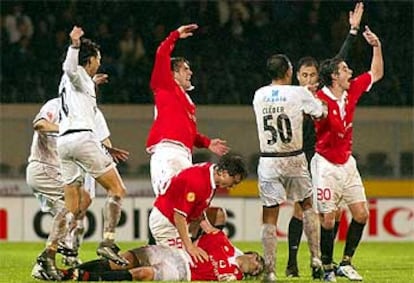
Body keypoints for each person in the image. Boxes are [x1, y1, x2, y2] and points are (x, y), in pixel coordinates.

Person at [37, 25, 130, 280]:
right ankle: (108, 242)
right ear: (89, 60)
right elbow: (70, 68)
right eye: (98, 59)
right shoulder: (74, 71)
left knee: (71, 207)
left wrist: (93, 82)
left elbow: (79, 90)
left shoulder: (81, 83)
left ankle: (48, 254)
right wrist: (74, 45)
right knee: (117, 190)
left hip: (65, 144)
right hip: (81, 138)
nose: (100, 63)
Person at [285, 2, 364, 278]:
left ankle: (323, 262)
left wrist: (353, 32)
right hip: (303, 157)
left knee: (331, 213)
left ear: (319, 78)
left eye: (312, 75)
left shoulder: (321, 95)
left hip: (321, 154)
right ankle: (294, 261)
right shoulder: (293, 97)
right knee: (301, 209)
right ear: (296, 77)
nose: (308, 79)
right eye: (304, 75)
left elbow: (339, 60)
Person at [311, 25, 383, 282]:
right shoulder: (319, 99)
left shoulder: (351, 91)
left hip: (347, 163)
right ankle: (327, 267)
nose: (350, 72)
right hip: (326, 165)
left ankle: (346, 262)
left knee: (362, 214)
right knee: (328, 220)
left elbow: (376, 72)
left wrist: (376, 46)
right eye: (344, 70)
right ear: (333, 76)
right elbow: (312, 112)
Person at [253, 54, 327, 282]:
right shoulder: (298, 92)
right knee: (306, 206)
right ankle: (315, 259)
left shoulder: (259, 95)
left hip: (268, 160)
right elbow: (321, 112)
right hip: (294, 157)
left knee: (269, 217)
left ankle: (271, 271)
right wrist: (315, 99)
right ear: (288, 72)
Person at [146, 23, 229, 197]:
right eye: (185, 69)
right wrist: (175, 35)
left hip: (184, 154)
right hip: (167, 152)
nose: (190, 72)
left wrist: (207, 143)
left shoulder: (187, 101)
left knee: (186, 205)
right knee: (169, 202)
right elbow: (162, 53)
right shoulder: (165, 85)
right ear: (172, 74)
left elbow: (188, 132)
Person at [149, 154, 248, 263]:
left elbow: (198, 208)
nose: (233, 186)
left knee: (194, 261)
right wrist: (190, 247)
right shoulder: (198, 182)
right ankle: (134, 267)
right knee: (181, 266)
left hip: (174, 222)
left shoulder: (211, 175)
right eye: (234, 182)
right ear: (224, 174)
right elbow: (179, 216)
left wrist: (209, 228)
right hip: (166, 222)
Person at [55, 230, 264, 282]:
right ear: (251, 254)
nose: (256, 268)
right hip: (175, 252)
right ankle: (68, 272)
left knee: (143, 273)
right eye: (258, 262)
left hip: (182, 271)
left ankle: (83, 278)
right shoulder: (224, 244)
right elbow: (205, 225)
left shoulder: (235, 275)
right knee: (121, 261)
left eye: (258, 271)